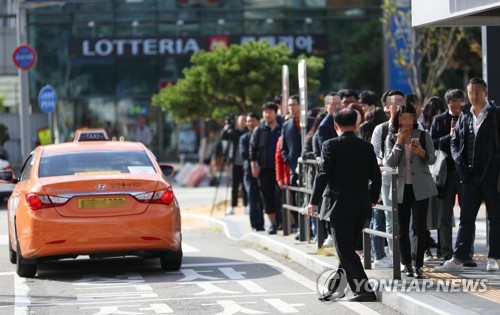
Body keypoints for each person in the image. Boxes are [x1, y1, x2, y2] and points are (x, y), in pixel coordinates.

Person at [307, 108, 381, 302]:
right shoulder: (366, 147)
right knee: (346, 249)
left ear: (335, 125)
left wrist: (313, 201)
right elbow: (376, 176)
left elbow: (322, 174)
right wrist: (372, 199)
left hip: (339, 206)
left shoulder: (330, 145)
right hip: (362, 206)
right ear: (356, 124)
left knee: (345, 250)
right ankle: (336, 288)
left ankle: (364, 290)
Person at [436, 77, 500, 272]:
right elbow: (455, 141)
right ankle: (458, 259)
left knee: (496, 218)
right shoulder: (464, 116)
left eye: (476, 92)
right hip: (469, 176)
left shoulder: (496, 115)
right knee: (466, 218)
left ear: (485, 93)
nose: (472, 97)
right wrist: (457, 159)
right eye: (469, 93)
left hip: (492, 175)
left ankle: (494, 257)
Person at [385, 102, 437, 279]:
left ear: (414, 118)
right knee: (401, 228)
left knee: (419, 227)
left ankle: (418, 266)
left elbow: (432, 159)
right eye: (403, 116)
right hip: (400, 188)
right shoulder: (392, 136)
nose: (407, 120)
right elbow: (389, 162)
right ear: (398, 118)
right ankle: (406, 263)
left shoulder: (423, 135)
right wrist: (398, 144)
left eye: (410, 116)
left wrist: (422, 153)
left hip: (421, 187)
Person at [429, 89, 476, 266]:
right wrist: (449, 137)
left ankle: (466, 254)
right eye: (455, 103)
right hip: (445, 173)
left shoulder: (470, 118)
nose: (458, 107)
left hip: (465, 173)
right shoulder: (439, 120)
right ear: (448, 103)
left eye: (461, 102)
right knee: (444, 216)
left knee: (468, 216)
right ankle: (447, 253)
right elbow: (431, 144)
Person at [370, 90, 404, 260]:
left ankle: (409, 256)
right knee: (391, 218)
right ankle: (396, 256)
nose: (399, 104)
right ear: (386, 107)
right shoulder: (380, 129)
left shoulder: (414, 126)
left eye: (401, 101)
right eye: (395, 101)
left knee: (410, 219)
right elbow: (374, 153)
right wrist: (382, 162)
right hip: (388, 179)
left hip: (409, 179)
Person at [249, 102, 282, 234]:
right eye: (265, 112)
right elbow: (252, 148)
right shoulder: (260, 130)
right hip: (265, 168)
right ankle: (272, 223)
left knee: (283, 196)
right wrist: (253, 165)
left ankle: (288, 223)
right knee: (267, 197)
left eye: (270, 112)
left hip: (280, 168)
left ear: (275, 112)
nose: (267, 114)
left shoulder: (282, 128)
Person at [240, 113, 265, 231]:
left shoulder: (263, 134)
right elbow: (244, 154)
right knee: (253, 199)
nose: (250, 123)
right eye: (248, 121)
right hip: (249, 173)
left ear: (258, 122)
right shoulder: (244, 137)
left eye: (252, 121)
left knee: (263, 199)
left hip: (264, 171)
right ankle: (256, 224)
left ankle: (266, 223)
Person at [221, 115, 248, 215]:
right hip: (235, 163)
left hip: (245, 163)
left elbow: (240, 135)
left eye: (244, 120)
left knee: (245, 186)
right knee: (234, 186)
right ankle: (232, 207)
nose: (242, 122)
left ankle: (245, 206)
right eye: (240, 120)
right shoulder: (233, 132)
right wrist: (226, 127)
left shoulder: (246, 132)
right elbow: (224, 137)